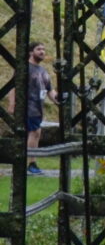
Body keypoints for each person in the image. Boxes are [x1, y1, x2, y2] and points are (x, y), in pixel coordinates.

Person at [21, 43, 53, 177]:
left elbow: (50, 90)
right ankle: (31, 164)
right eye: (39, 49)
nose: (42, 52)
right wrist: (12, 104)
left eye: (44, 49)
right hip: (27, 107)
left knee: (35, 134)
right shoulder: (25, 68)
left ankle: (29, 163)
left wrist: (59, 100)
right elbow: (13, 86)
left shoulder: (43, 71)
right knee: (34, 133)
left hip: (38, 109)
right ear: (30, 52)